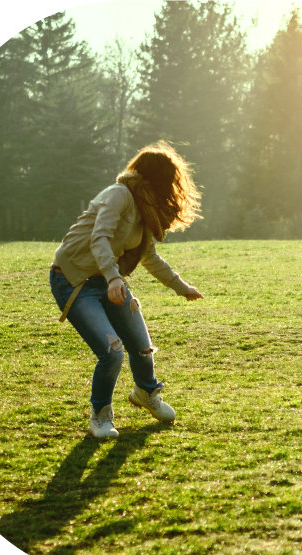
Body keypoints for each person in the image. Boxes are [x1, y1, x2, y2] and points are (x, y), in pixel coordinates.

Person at [49, 141, 204, 438]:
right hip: (73, 278)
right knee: (112, 352)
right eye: (171, 181)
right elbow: (99, 238)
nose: (175, 189)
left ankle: (146, 393)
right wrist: (113, 277)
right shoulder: (119, 194)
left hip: (107, 279)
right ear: (157, 179)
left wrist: (180, 286)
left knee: (142, 346)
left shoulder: (146, 208)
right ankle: (100, 416)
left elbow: (149, 256)